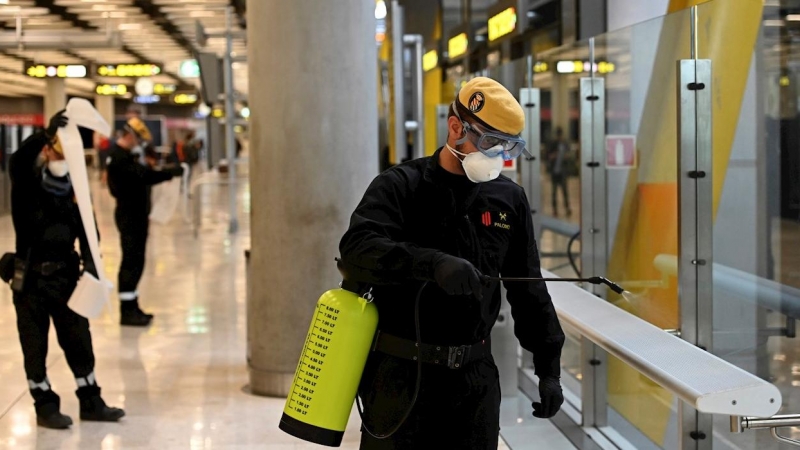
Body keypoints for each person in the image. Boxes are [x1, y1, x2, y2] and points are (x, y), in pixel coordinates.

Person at [338, 77, 565, 449]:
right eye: (490, 142)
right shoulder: (400, 186)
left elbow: (528, 287)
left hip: (473, 382)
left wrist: (548, 366)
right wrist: (431, 264)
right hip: (401, 377)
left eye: (508, 146)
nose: (497, 155)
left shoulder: (508, 199)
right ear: (456, 126)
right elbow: (358, 248)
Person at [7, 111, 125, 429]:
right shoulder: (27, 188)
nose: (60, 159)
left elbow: (89, 231)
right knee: (35, 346)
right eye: (56, 151)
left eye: (65, 154)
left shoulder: (74, 193)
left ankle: (91, 401)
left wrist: (92, 266)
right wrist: (43, 135)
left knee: (78, 341)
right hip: (31, 280)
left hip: (66, 280)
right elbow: (17, 162)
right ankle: (44, 406)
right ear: (46, 152)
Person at [106, 117, 183, 326]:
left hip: (136, 215)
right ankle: (127, 311)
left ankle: (133, 306)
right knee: (131, 261)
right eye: (138, 140)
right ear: (130, 136)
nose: (139, 144)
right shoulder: (119, 158)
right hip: (129, 216)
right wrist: (169, 173)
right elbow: (142, 176)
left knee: (137, 261)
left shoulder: (126, 156)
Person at [546, 127, 572, 217]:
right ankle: (555, 210)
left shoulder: (565, 144)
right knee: (554, 192)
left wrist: (566, 156)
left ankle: (567, 208)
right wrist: (554, 155)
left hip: (563, 172)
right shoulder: (553, 144)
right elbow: (548, 156)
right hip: (555, 172)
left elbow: (569, 156)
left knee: (565, 191)